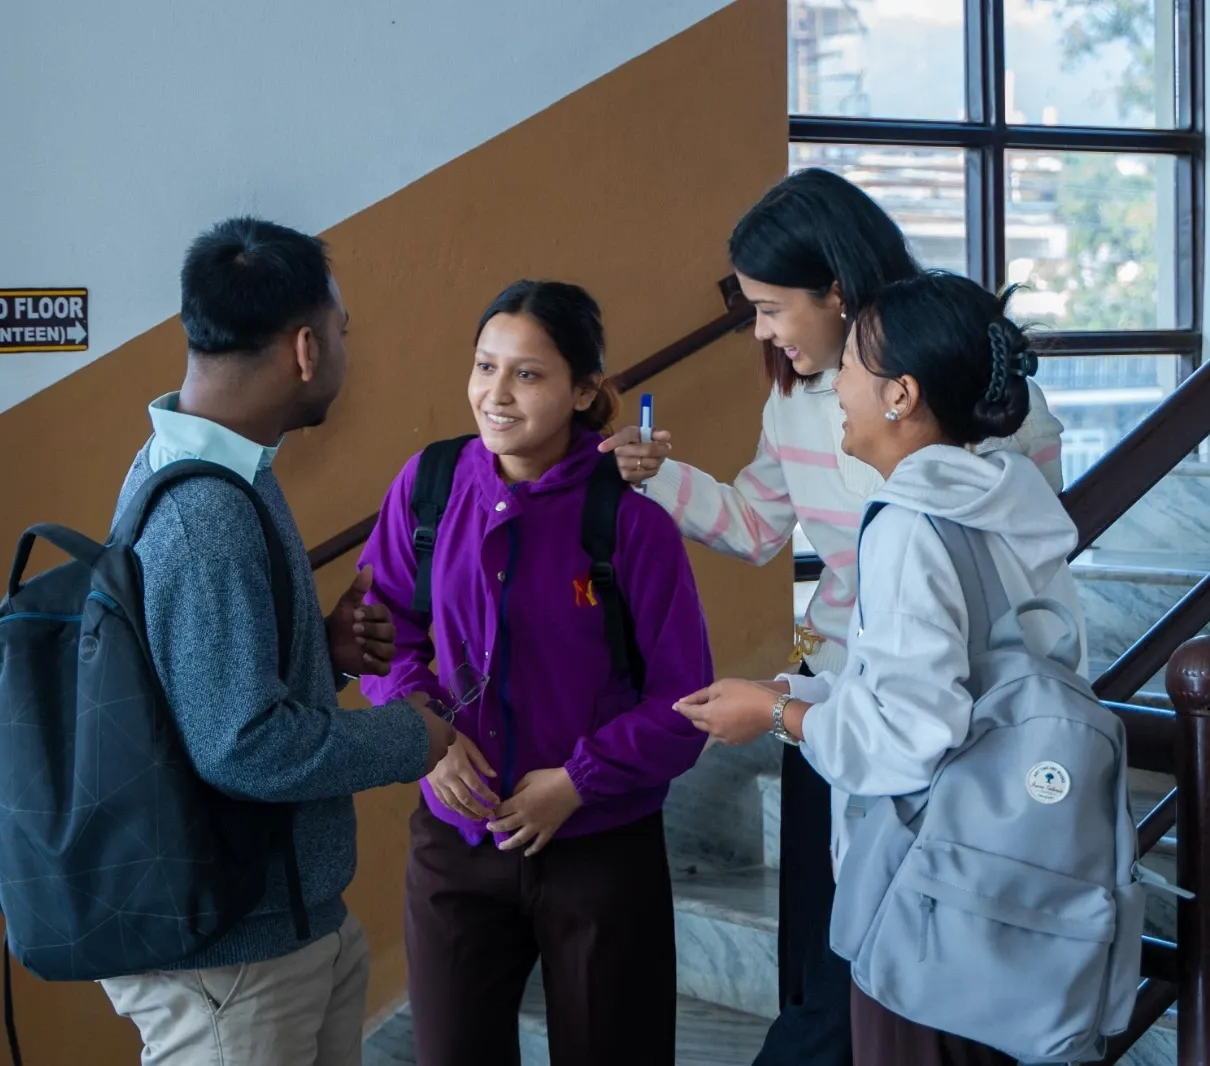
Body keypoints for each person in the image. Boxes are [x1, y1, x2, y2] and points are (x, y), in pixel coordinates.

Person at [599, 168, 1066, 1065]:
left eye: (772, 308)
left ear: (839, 292)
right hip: (837, 707)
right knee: (822, 967)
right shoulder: (796, 402)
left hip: (943, 732)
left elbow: (1016, 571)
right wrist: (659, 475)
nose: (763, 332)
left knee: (885, 981)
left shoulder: (973, 411)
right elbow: (755, 525)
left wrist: (776, 709)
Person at [99, 217, 455, 1066]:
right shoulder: (204, 516)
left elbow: (209, 690)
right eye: (341, 332)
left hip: (285, 928)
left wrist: (320, 653)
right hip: (234, 966)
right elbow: (242, 745)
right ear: (304, 349)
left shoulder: (211, 469)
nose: (342, 351)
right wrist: (415, 734)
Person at [357, 280, 713, 1066]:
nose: (497, 394)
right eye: (485, 367)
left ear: (585, 390)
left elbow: (687, 704)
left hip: (598, 846)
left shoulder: (628, 519)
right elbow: (382, 633)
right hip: (457, 844)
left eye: (528, 373)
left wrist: (580, 780)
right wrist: (426, 733)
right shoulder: (429, 486)